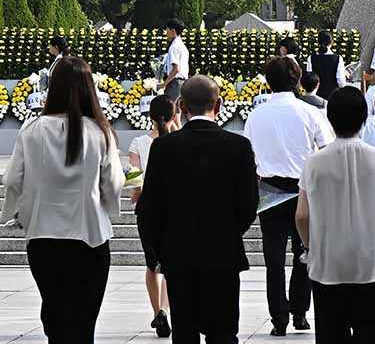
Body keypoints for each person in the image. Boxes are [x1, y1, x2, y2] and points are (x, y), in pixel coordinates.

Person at [1, 57, 125, 342]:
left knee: (55, 316)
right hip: (89, 236)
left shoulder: (32, 130)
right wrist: (108, 206)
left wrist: (18, 214)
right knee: (84, 320)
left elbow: (11, 180)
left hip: (44, 237)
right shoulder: (99, 132)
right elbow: (114, 182)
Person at [136, 75, 259, 343]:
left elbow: (150, 207)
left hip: (179, 254)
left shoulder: (164, 147)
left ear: (182, 107)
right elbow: (249, 204)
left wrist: (157, 250)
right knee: (224, 332)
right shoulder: (238, 146)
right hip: (223, 253)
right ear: (220, 104)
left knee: (184, 332)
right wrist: (226, 231)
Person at [295, 87, 375, 344]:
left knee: (332, 334)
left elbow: (301, 216)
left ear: (330, 119)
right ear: (364, 118)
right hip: (373, 263)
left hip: (327, 264)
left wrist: (309, 246)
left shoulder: (314, 162)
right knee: (372, 334)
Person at [243, 57, 334, 336]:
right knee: (305, 251)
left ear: (268, 81)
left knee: (273, 259)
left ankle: (278, 317)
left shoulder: (256, 115)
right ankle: (300, 312)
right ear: (297, 80)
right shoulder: (309, 113)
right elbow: (328, 149)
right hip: (303, 191)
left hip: (269, 191)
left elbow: (248, 155)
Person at [129, 95, 178, 338]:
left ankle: (156, 310)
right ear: (174, 114)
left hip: (148, 208)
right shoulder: (178, 141)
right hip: (174, 206)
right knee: (171, 263)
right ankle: (165, 310)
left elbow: (135, 179)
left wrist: (137, 193)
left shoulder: (138, 142)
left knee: (152, 264)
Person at [306, 30, 347, 99]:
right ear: (331, 42)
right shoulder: (338, 58)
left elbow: (310, 79)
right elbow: (341, 82)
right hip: (333, 97)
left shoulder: (311, 58)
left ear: (318, 42)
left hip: (316, 97)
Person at [159, 18, 190, 100]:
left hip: (175, 83)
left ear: (173, 31)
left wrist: (164, 84)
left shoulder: (174, 47)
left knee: (172, 109)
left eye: (167, 30)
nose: (166, 33)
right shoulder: (182, 45)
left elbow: (176, 69)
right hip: (183, 83)